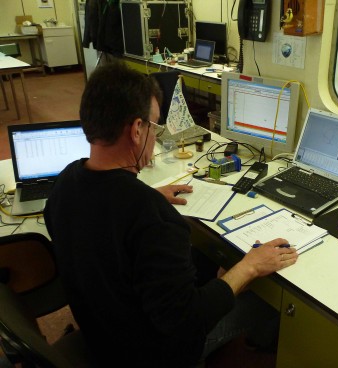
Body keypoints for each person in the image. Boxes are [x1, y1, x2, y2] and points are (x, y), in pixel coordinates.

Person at [44, 62, 298, 367]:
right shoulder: (153, 217)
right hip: (155, 354)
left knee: (203, 261)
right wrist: (249, 267)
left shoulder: (65, 183)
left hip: (101, 331)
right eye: (154, 126)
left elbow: (104, 218)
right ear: (137, 130)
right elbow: (186, 322)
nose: (154, 135)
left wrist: (146, 197)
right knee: (268, 303)